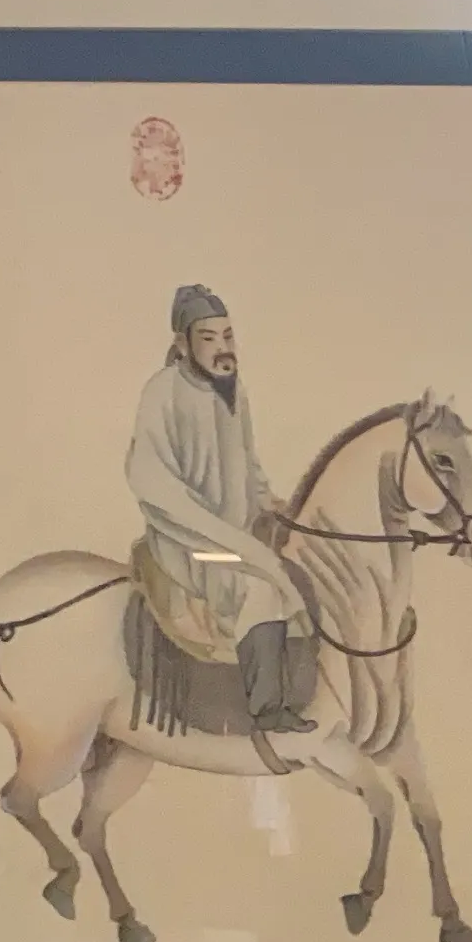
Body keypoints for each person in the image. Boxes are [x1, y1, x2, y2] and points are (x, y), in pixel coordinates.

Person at [125, 284, 314, 731]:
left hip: (235, 535)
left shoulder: (233, 391)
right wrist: (212, 527)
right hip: (189, 543)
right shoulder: (162, 392)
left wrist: (269, 501)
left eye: (228, 336)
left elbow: (247, 460)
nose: (222, 348)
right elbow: (148, 476)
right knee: (262, 588)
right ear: (182, 343)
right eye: (209, 338)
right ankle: (266, 710)